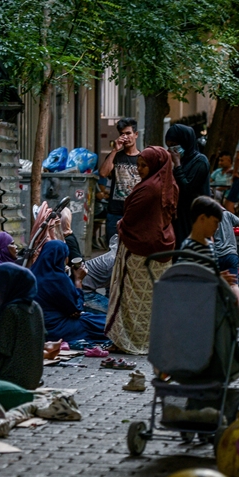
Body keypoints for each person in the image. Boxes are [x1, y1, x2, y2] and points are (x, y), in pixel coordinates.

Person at [105, 147, 178, 354]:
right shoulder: (168, 183)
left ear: (155, 165)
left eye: (144, 165)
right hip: (162, 249)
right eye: (138, 165)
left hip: (138, 249)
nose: (139, 170)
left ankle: (127, 340)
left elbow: (130, 217)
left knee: (130, 299)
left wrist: (121, 225)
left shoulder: (148, 189)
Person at [31, 241, 107, 345]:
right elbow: (77, 308)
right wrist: (78, 281)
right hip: (56, 328)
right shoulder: (58, 278)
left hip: (36, 327)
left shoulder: (32, 273)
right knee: (106, 325)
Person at [168, 123, 211, 245]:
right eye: (169, 146)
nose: (172, 149)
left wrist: (177, 165)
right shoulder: (181, 160)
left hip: (195, 215)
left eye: (174, 145)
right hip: (179, 215)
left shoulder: (200, 161)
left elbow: (187, 188)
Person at [98, 117, 141, 237]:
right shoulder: (116, 156)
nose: (126, 137)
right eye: (122, 134)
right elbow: (103, 173)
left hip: (135, 213)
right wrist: (114, 150)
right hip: (115, 213)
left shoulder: (142, 158)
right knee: (113, 251)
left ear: (136, 134)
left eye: (128, 133)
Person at [81, 235, 119, 314]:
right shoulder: (115, 260)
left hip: (85, 287)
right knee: (113, 314)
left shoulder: (115, 256)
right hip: (84, 292)